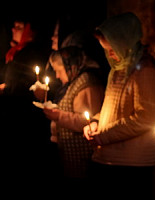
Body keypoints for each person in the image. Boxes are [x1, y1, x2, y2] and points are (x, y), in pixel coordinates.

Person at [82, 12, 155, 200]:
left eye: (112, 48)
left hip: (132, 163)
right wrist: (95, 122)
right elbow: (111, 108)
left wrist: (104, 136)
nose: (110, 53)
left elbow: (146, 117)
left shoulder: (145, 70)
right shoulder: (118, 70)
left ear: (126, 41)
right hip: (112, 158)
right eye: (106, 49)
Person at [42, 46, 105, 195]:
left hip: (82, 158)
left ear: (71, 65)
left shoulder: (87, 83)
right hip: (70, 157)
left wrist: (59, 116)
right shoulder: (73, 81)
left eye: (59, 70)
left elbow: (87, 120)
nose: (57, 76)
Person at [0, 16, 53, 189]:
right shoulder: (16, 52)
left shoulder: (31, 53)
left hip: (24, 120)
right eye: (13, 26)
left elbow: (25, 85)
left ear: (30, 30)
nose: (14, 30)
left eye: (19, 26)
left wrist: (6, 89)